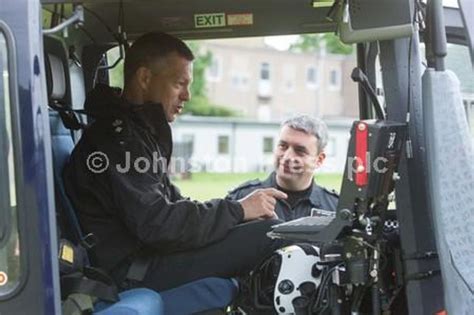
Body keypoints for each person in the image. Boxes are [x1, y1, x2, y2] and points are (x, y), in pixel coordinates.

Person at [64, 32, 287, 292]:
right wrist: (237, 210)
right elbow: (158, 223)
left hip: (147, 257)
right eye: (180, 84)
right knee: (271, 234)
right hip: (134, 270)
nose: (187, 96)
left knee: (262, 229)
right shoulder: (118, 141)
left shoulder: (137, 133)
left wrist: (236, 217)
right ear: (145, 78)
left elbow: (171, 205)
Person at [227, 115, 339, 221]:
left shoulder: (335, 208)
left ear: (319, 160)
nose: (287, 156)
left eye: (300, 150)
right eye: (283, 146)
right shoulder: (243, 199)